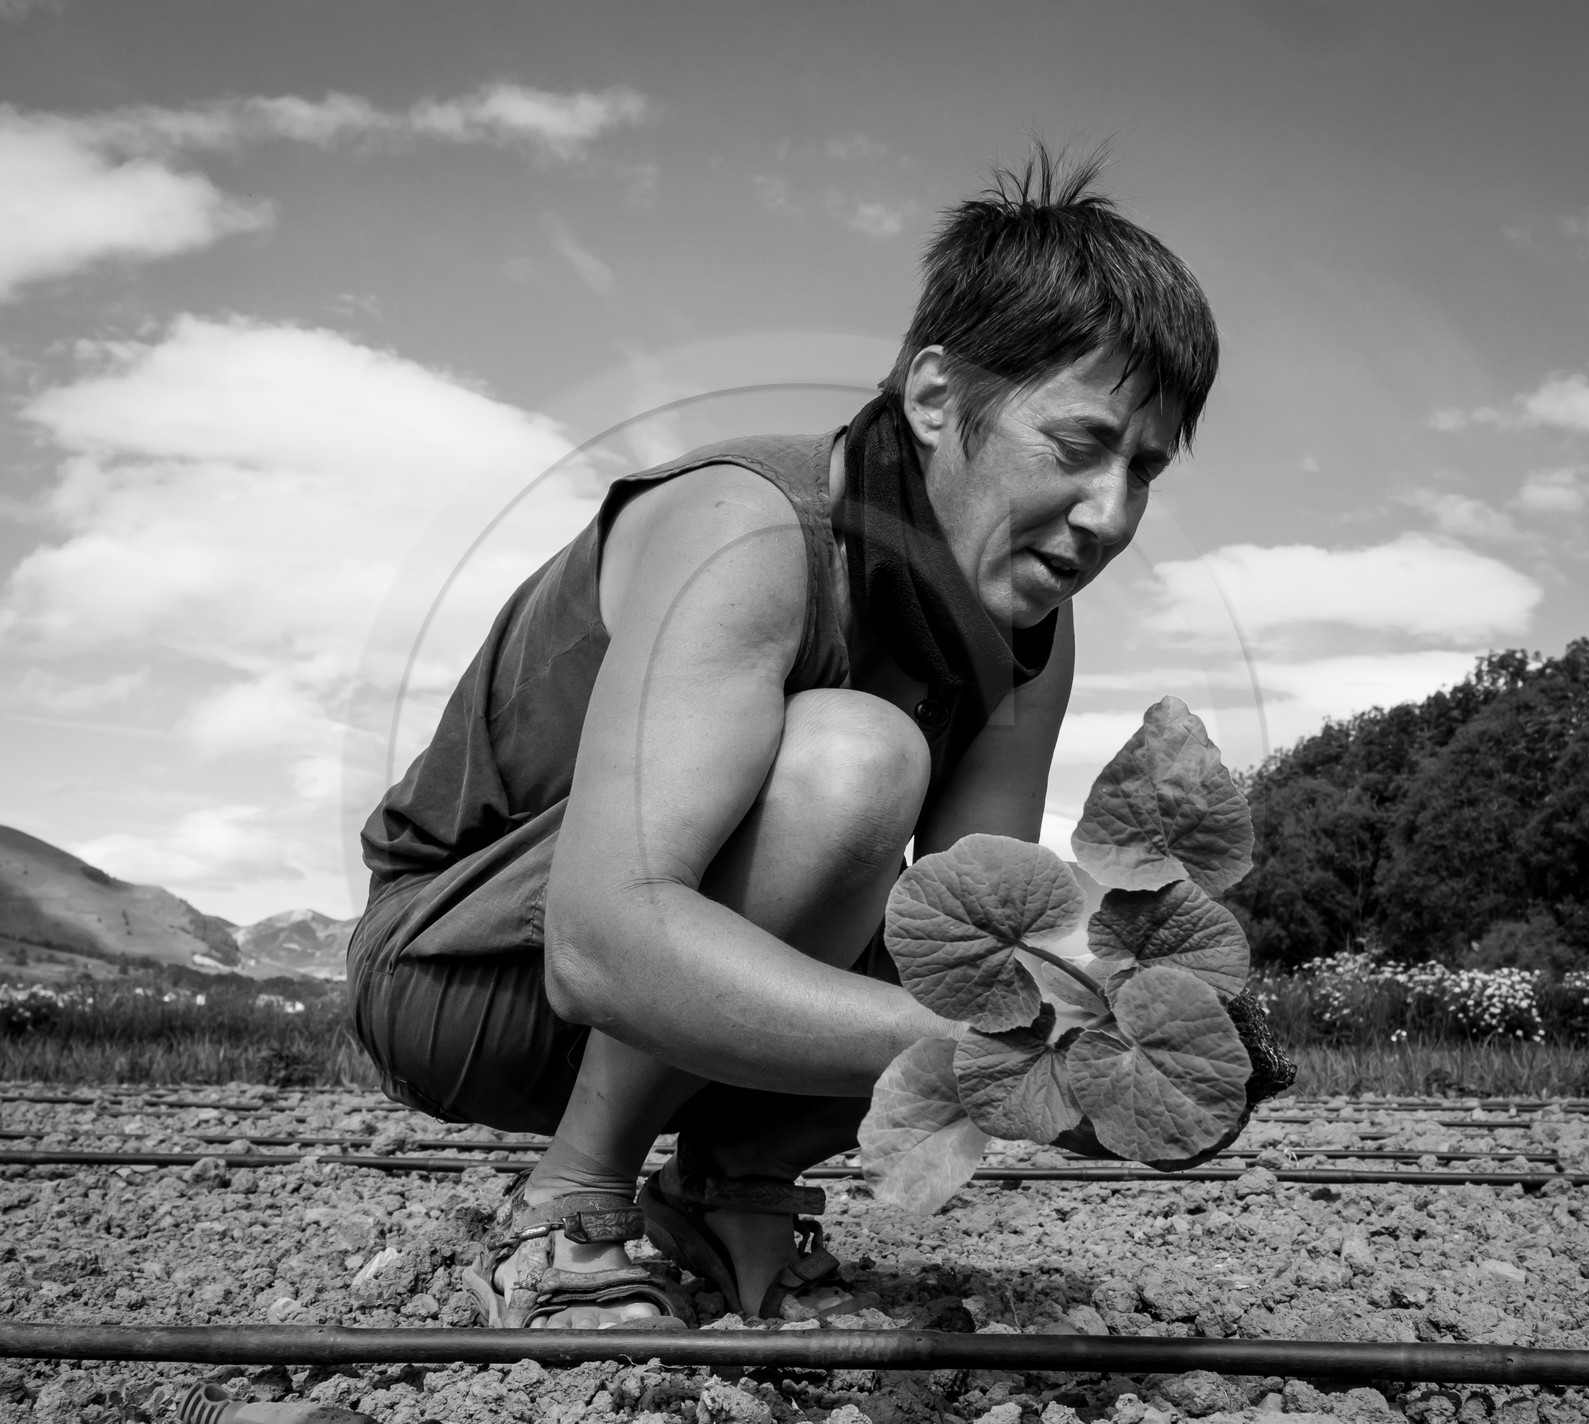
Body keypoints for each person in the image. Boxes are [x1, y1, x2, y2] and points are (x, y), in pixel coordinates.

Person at [348, 150, 1219, 1330]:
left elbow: (978, 921)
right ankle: (572, 1205)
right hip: (464, 979)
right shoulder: (746, 530)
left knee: (1005, 953)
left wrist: (1139, 1026)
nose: (1111, 515)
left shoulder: (1030, 626)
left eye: (1145, 472)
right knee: (856, 764)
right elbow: (599, 944)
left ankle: (724, 1190)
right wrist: (986, 1046)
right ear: (932, 396)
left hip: (666, 990)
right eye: (1077, 446)